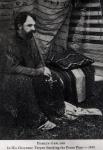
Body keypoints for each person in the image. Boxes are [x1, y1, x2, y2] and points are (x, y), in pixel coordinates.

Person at [1, 11, 102, 131]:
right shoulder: (8, 42)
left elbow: (38, 60)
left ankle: (58, 111)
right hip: (9, 75)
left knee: (53, 76)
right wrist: (38, 72)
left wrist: (43, 69)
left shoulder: (30, 37)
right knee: (25, 82)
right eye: (29, 25)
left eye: (34, 25)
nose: (33, 29)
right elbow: (11, 67)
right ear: (19, 26)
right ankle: (38, 120)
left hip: (28, 72)